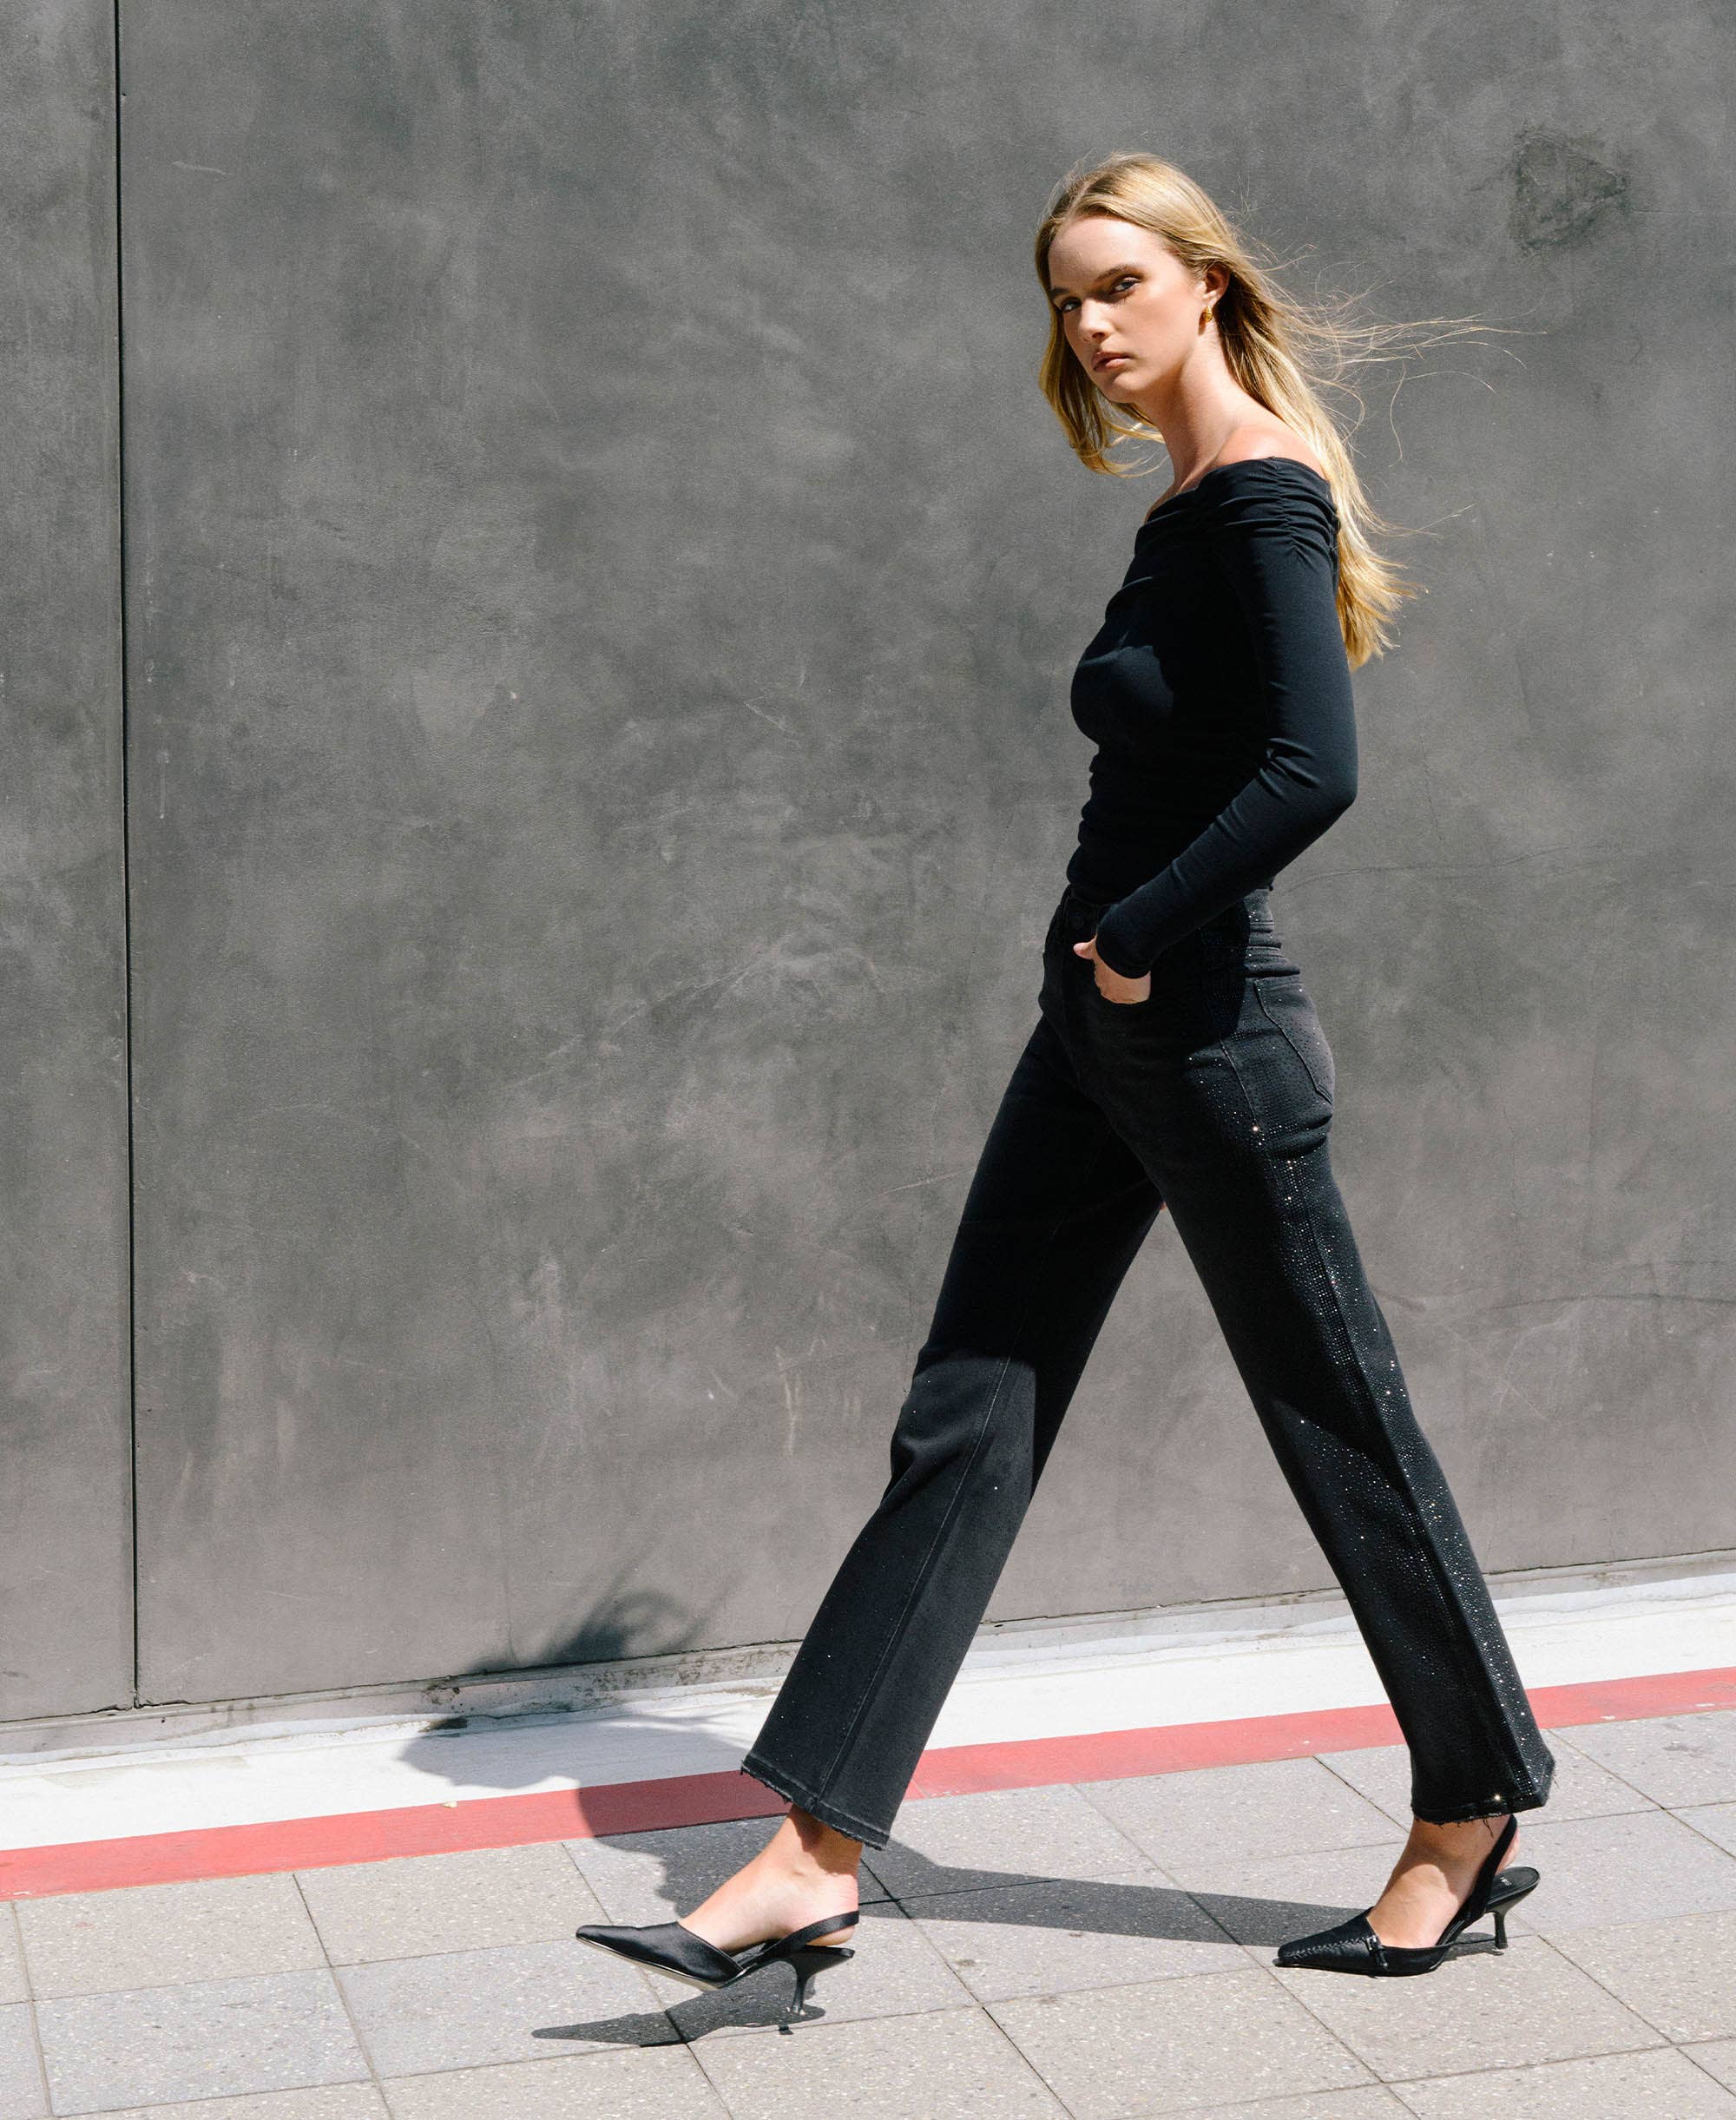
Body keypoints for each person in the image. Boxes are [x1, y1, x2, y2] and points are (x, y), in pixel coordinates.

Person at [576, 150, 1555, 2006]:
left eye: (1118, 284)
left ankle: (1471, 1802)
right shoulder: (1180, 499)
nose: (1090, 324)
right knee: (969, 1409)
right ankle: (810, 1858)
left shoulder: (1259, 490)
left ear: (1203, 282)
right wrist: (1095, 971)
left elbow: (1315, 769)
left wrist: (1139, 936)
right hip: (1096, 1028)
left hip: (1206, 1028)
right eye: (1064, 297)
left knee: (1337, 1418)